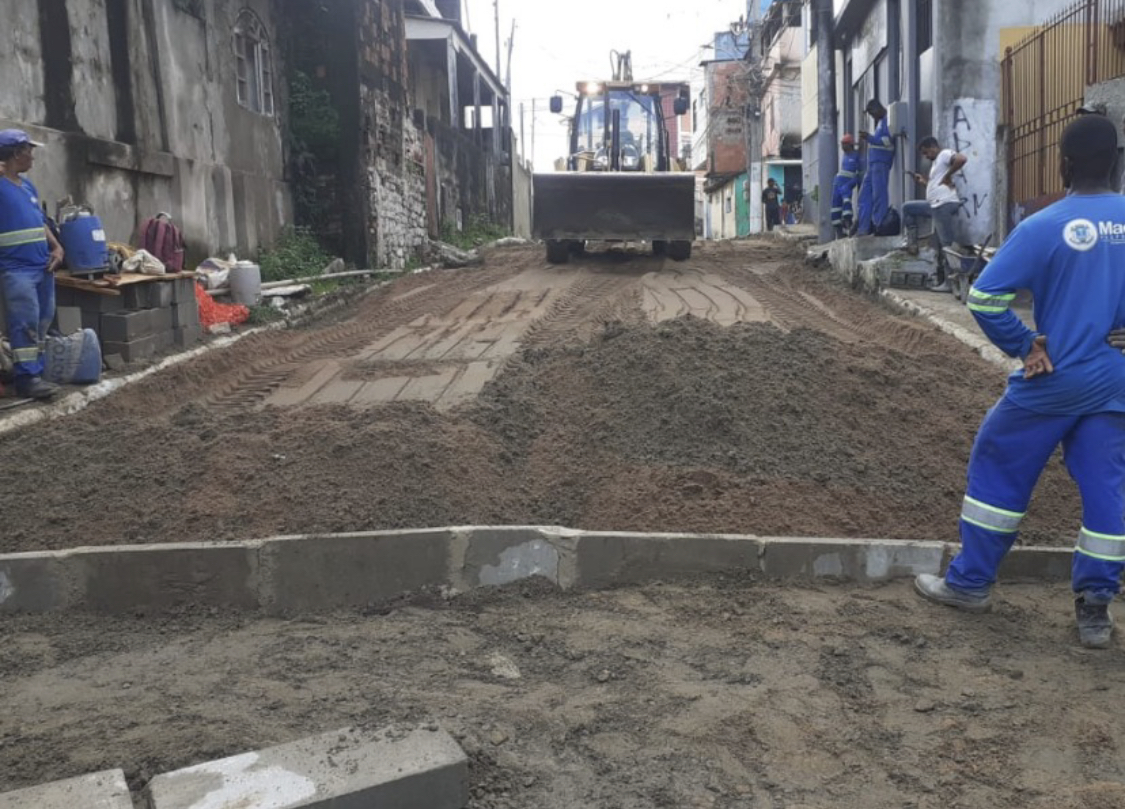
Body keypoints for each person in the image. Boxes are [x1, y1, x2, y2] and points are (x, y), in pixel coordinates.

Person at [914, 115, 1125, 650]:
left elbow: (985, 297)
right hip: (1116, 382)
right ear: (1117, 164)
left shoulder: (1043, 227)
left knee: (998, 459)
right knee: (1107, 487)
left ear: (1064, 165)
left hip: (1056, 376)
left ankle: (970, 584)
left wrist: (1026, 345)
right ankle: (1095, 609)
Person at [0, 130, 64, 400]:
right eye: (29, 151)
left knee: (41, 321)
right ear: (16, 153)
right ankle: (27, 379)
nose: (33, 157)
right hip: (17, 270)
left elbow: (40, 221)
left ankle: (35, 372)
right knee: (24, 323)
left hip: (42, 267)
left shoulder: (27, 187)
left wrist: (56, 247)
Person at [902, 136, 968, 290]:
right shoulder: (936, 164)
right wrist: (924, 182)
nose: (926, 156)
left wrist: (948, 175)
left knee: (946, 244)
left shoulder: (944, 154)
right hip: (935, 204)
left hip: (943, 204)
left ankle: (950, 283)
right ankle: (912, 243)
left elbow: (961, 159)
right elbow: (937, 184)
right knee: (908, 208)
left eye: (926, 152)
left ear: (933, 147)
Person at [855, 100, 895, 235]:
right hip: (873, 164)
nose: (872, 117)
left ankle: (879, 226)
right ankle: (864, 228)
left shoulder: (887, 121)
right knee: (864, 196)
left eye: (872, 114)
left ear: (877, 109)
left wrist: (869, 138)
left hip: (881, 163)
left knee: (879, 195)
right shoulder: (880, 123)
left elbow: (888, 141)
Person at [831, 134, 862, 239]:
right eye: (842, 144)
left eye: (845, 144)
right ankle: (838, 230)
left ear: (850, 145)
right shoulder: (845, 156)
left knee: (846, 200)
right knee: (835, 206)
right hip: (838, 182)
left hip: (847, 183)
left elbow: (858, 173)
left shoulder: (856, 155)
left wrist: (852, 182)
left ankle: (848, 222)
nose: (843, 147)